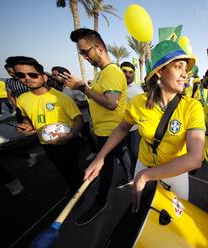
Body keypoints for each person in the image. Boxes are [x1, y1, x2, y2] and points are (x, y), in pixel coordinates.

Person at [84, 40, 205, 214]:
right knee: (140, 210)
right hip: (144, 165)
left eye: (185, 69)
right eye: (179, 67)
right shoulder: (139, 102)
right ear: (159, 71)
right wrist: (101, 156)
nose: (185, 74)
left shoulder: (192, 107)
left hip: (175, 172)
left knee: (174, 221)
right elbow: (122, 128)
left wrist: (146, 176)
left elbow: (195, 158)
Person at [63, 28, 128, 226]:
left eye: (85, 51)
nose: (84, 57)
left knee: (103, 171)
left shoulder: (112, 72)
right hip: (103, 132)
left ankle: (100, 202)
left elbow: (111, 103)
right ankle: (130, 174)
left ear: (99, 48)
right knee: (118, 158)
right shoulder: (102, 74)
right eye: (81, 53)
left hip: (111, 133)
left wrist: (83, 88)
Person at [14, 56, 83, 195]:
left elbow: (78, 119)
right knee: (61, 168)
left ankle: (78, 193)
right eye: (21, 75)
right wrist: (26, 126)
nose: (27, 78)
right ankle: (73, 187)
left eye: (32, 75)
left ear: (44, 77)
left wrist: (70, 135)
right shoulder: (22, 99)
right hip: (46, 143)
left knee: (72, 169)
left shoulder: (61, 98)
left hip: (68, 142)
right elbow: (27, 117)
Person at [120, 61, 143, 178]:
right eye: (124, 71)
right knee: (122, 152)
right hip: (118, 128)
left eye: (130, 72)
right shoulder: (114, 88)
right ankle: (129, 175)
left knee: (134, 152)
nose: (127, 74)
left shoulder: (138, 90)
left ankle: (138, 174)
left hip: (134, 128)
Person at [4, 56, 30, 123]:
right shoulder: (9, 82)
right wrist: (15, 106)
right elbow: (10, 95)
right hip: (20, 107)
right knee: (22, 124)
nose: (12, 74)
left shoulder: (29, 79)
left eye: (13, 71)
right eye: (9, 72)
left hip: (33, 105)